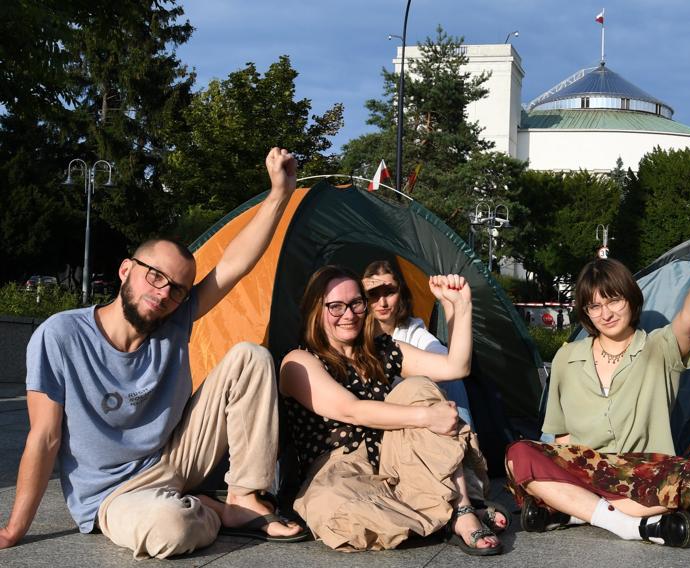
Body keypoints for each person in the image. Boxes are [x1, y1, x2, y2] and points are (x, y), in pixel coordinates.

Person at [0, 148, 305, 559]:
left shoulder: (173, 320)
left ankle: (244, 498)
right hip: (114, 494)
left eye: (176, 289)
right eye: (155, 277)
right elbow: (45, 436)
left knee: (250, 356)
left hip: (175, 458)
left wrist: (278, 196)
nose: (163, 294)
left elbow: (234, 264)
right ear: (126, 270)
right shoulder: (61, 335)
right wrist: (14, 529)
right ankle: (208, 509)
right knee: (171, 527)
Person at [506, 227, 690, 548]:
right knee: (518, 455)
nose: (606, 313)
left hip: (640, 471)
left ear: (631, 300)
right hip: (585, 467)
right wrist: (565, 468)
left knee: (689, 480)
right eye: (594, 306)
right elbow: (562, 437)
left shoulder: (659, 347)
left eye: (614, 301)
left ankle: (575, 510)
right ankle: (630, 525)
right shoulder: (568, 357)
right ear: (585, 312)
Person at [279, 266, 506, 555]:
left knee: (418, 387)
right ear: (315, 309)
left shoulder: (382, 350)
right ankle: (443, 509)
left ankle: (461, 510)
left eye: (356, 303)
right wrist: (426, 416)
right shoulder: (298, 361)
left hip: (394, 456)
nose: (348, 315)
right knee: (342, 514)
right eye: (335, 306)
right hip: (339, 470)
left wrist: (459, 307)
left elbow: (455, 367)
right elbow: (351, 411)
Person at [361, 260, 474, 428]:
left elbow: (451, 364)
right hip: (377, 417)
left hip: (416, 415)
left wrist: (451, 304)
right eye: (374, 294)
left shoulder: (412, 331)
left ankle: (467, 441)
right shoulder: (355, 333)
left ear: (400, 293)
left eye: (389, 292)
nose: (382, 302)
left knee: (451, 381)